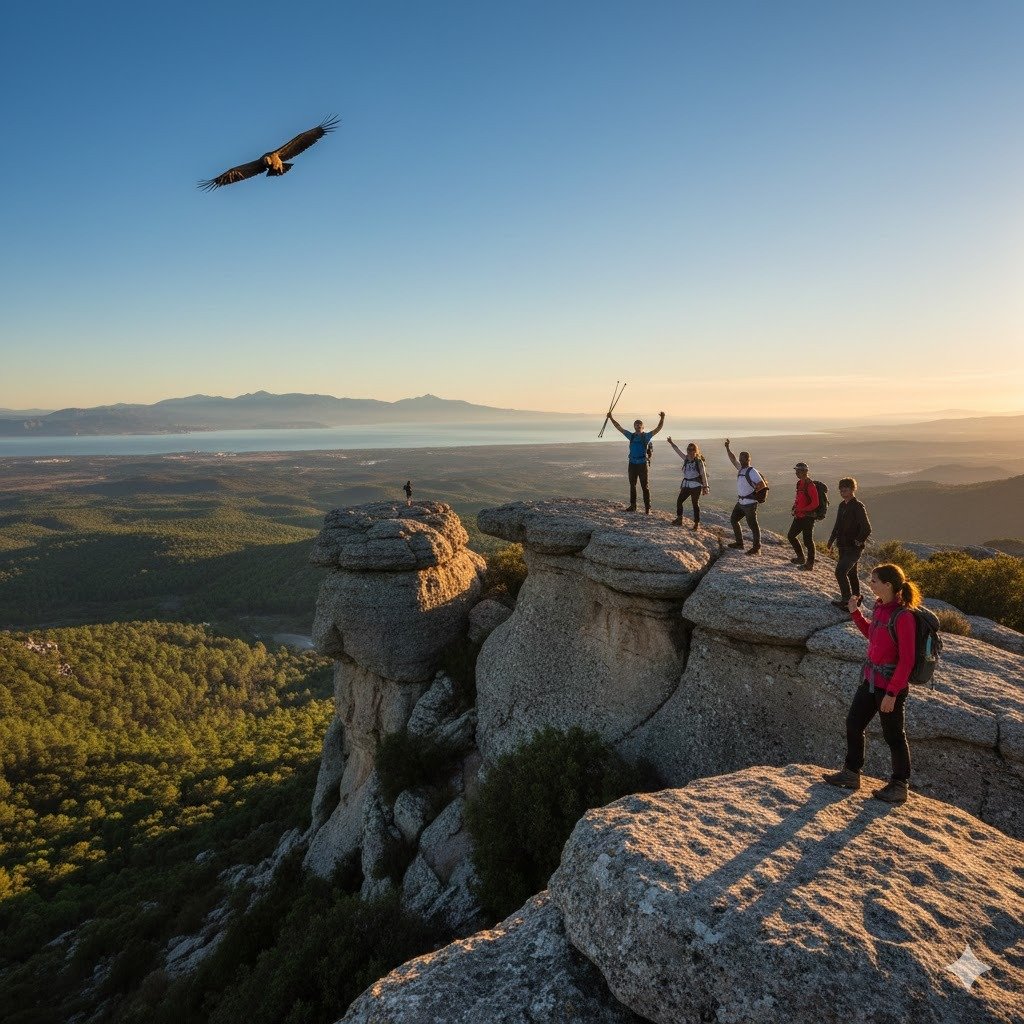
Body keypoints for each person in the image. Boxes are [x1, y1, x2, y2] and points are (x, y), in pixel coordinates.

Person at [824, 563, 919, 804]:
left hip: (889, 686)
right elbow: (872, 634)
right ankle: (851, 773)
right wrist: (855, 612)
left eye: (874, 580)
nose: (870, 583)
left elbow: (907, 661)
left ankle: (899, 785)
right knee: (854, 724)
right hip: (870, 680)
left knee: (894, 736)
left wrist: (892, 694)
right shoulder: (879, 607)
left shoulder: (904, 616)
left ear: (888, 585)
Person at [826, 478, 872, 609]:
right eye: (840, 489)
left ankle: (846, 601)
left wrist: (859, 540)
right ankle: (856, 598)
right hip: (842, 545)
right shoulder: (842, 505)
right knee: (852, 573)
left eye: (845, 489)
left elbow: (867, 527)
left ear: (852, 489)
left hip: (853, 548)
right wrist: (831, 540)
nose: (842, 491)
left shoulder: (858, 506)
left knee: (840, 572)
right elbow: (837, 525)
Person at [608, 411, 665, 513]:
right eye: (636, 424)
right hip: (632, 464)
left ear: (643, 427)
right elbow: (619, 428)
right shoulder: (631, 436)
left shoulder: (646, 436)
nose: (638, 425)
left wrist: (662, 418)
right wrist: (611, 418)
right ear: (634, 426)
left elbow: (658, 428)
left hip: (642, 464)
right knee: (632, 485)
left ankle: (647, 508)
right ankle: (633, 506)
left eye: (640, 424)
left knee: (645, 487)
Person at [724, 439, 763, 554]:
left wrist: (754, 493)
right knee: (734, 520)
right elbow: (733, 459)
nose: (740, 460)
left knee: (753, 526)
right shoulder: (741, 469)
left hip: (750, 503)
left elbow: (761, 484)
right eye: (740, 458)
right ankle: (739, 543)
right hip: (741, 502)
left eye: (742, 458)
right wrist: (727, 448)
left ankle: (756, 548)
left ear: (748, 459)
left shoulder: (752, 471)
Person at [667, 438, 709, 528]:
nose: (689, 451)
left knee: (695, 504)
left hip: (696, 485)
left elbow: (703, 474)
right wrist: (671, 443)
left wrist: (705, 487)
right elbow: (677, 450)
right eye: (688, 449)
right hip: (686, 484)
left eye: (691, 450)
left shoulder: (699, 461)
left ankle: (696, 523)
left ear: (695, 451)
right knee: (679, 501)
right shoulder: (686, 458)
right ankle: (679, 519)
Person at [787, 462, 819, 570]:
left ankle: (810, 564)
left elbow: (815, 503)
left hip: (808, 517)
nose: (796, 473)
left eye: (798, 471)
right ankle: (801, 558)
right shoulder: (799, 483)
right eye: (796, 471)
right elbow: (799, 497)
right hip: (799, 516)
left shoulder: (810, 485)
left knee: (808, 541)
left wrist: (802, 509)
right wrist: (795, 507)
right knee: (791, 536)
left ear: (805, 472)